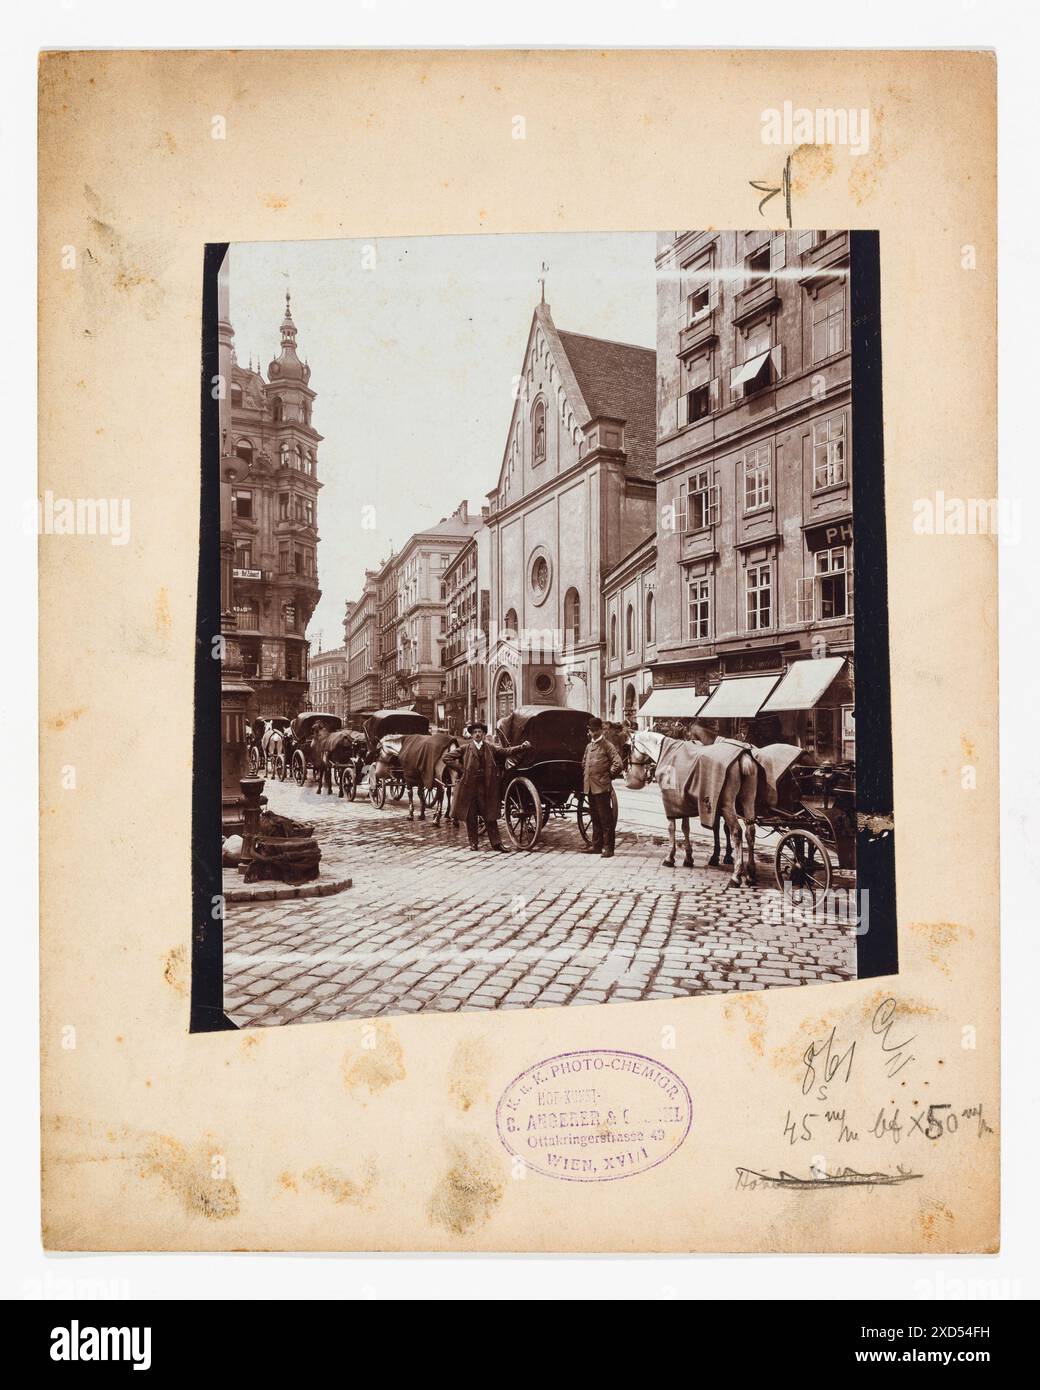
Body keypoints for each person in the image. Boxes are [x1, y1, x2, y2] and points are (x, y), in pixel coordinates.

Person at [452, 720, 530, 852]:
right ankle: (473, 843)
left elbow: (506, 751)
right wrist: (462, 769)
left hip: (485, 786)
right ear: (471, 735)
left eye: (480, 732)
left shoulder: (490, 748)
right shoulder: (466, 748)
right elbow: (447, 758)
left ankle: (496, 844)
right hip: (469, 787)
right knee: (471, 816)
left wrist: (521, 747)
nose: (477, 734)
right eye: (475, 732)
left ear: (483, 734)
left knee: (490, 815)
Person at [582, 716, 623, 857]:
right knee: (595, 817)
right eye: (590, 730)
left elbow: (618, 764)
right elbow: (584, 763)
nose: (592, 733)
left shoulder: (607, 746)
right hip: (590, 788)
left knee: (606, 819)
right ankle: (596, 846)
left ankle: (609, 848)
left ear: (600, 730)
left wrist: (608, 776)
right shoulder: (589, 746)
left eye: (594, 730)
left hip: (601, 788)